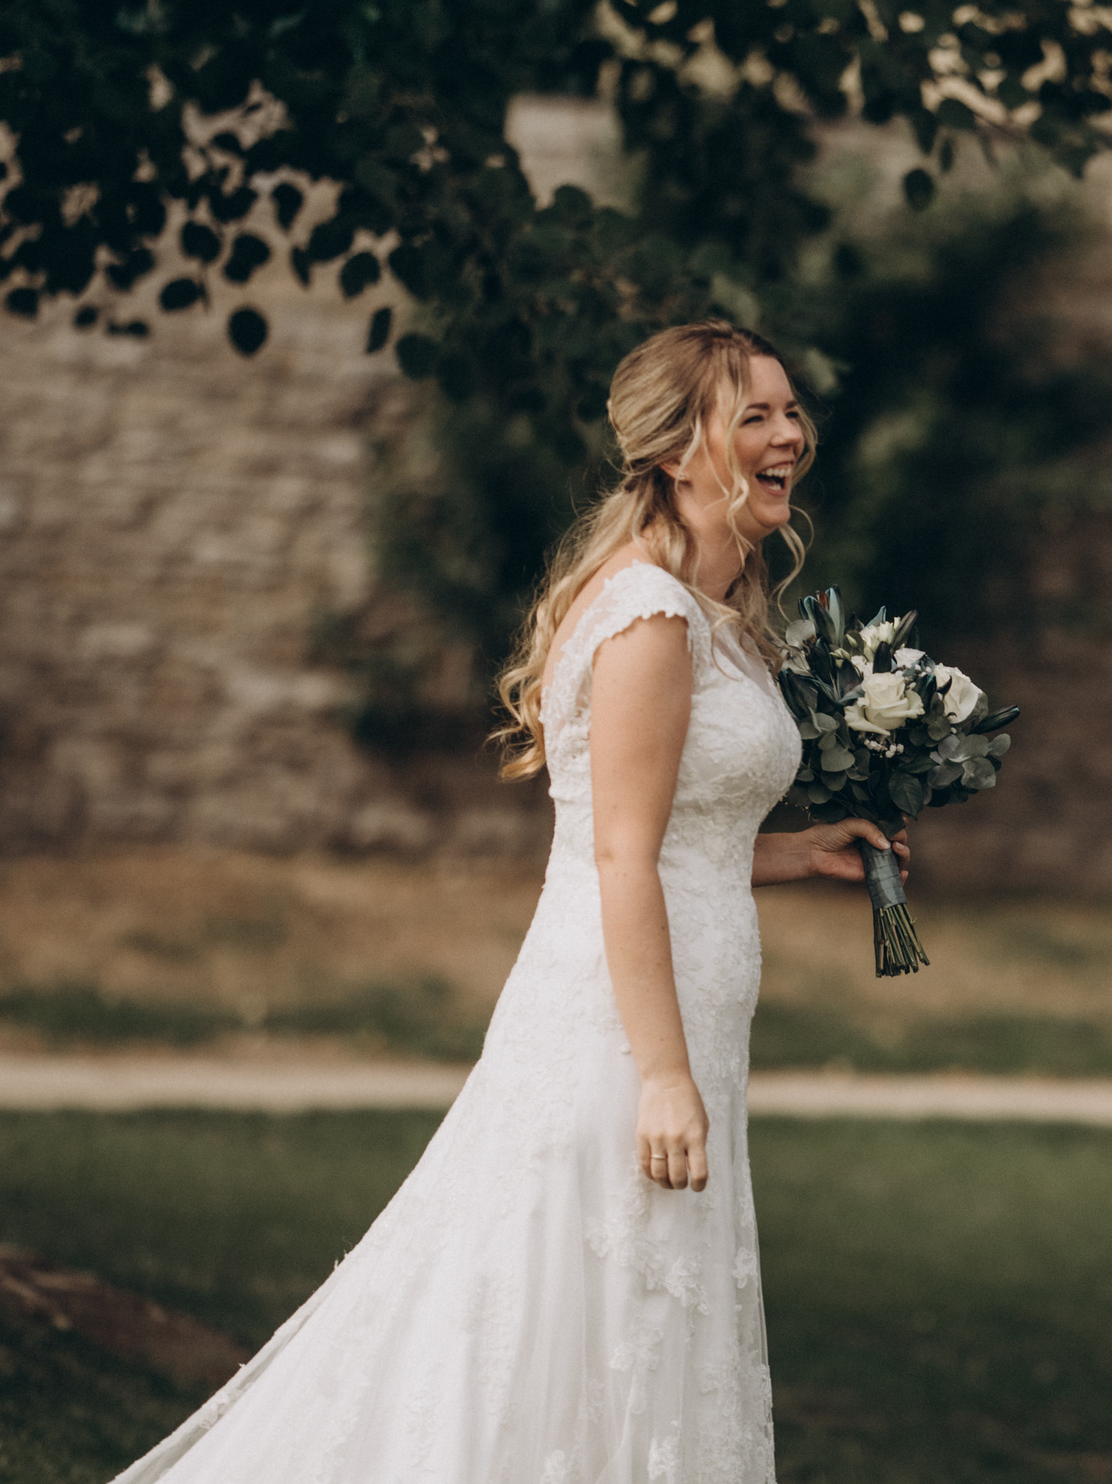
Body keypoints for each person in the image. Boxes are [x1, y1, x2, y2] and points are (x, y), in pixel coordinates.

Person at [112, 320, 900, 1483]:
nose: (791, 435)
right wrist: (663, 1076)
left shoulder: (720, 617)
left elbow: (674, 838)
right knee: (559, 1319)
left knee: (627, 1329)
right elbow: (618, 863)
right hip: (621, 1039)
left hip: (682, 1024)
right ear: (681, 451)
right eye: (756, 416)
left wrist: (796, 853)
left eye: (790, 411)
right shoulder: (650, 619)